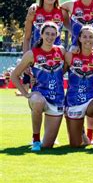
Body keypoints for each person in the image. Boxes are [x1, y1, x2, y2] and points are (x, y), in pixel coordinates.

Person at [11, 22, 65, 151]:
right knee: (38, 101)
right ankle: (35, 139)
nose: (50, 37)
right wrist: (26, 94)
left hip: (57, 99)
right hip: (38, 95)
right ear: (41, 34)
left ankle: (45, 139)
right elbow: (14, 75)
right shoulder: (31, 54)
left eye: (53, 34)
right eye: (47, 33)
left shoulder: (61, 50)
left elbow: (68, 68)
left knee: (47, 146)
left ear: (57, 35)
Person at [64, 25, 93, 150]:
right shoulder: (70, 56)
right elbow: (58, 74)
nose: (87, 39)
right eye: (84, 36)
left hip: (90, 100)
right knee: (75, 145)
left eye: (91, 37)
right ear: (79, 38)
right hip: (73, 101)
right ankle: (82, 132)